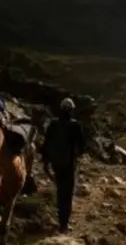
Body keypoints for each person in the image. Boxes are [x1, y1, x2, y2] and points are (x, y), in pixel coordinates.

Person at [40, 97, 87, 234]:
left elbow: (46, 144)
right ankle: (64, 224)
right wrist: (77, 155)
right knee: (68, 193)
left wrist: (46, 162)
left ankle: (61, 221)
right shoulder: (75, 125)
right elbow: (82, 145)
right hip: (69, 164)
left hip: (57, 164)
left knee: (60, 192)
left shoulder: (53, 124)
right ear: (72, 110)